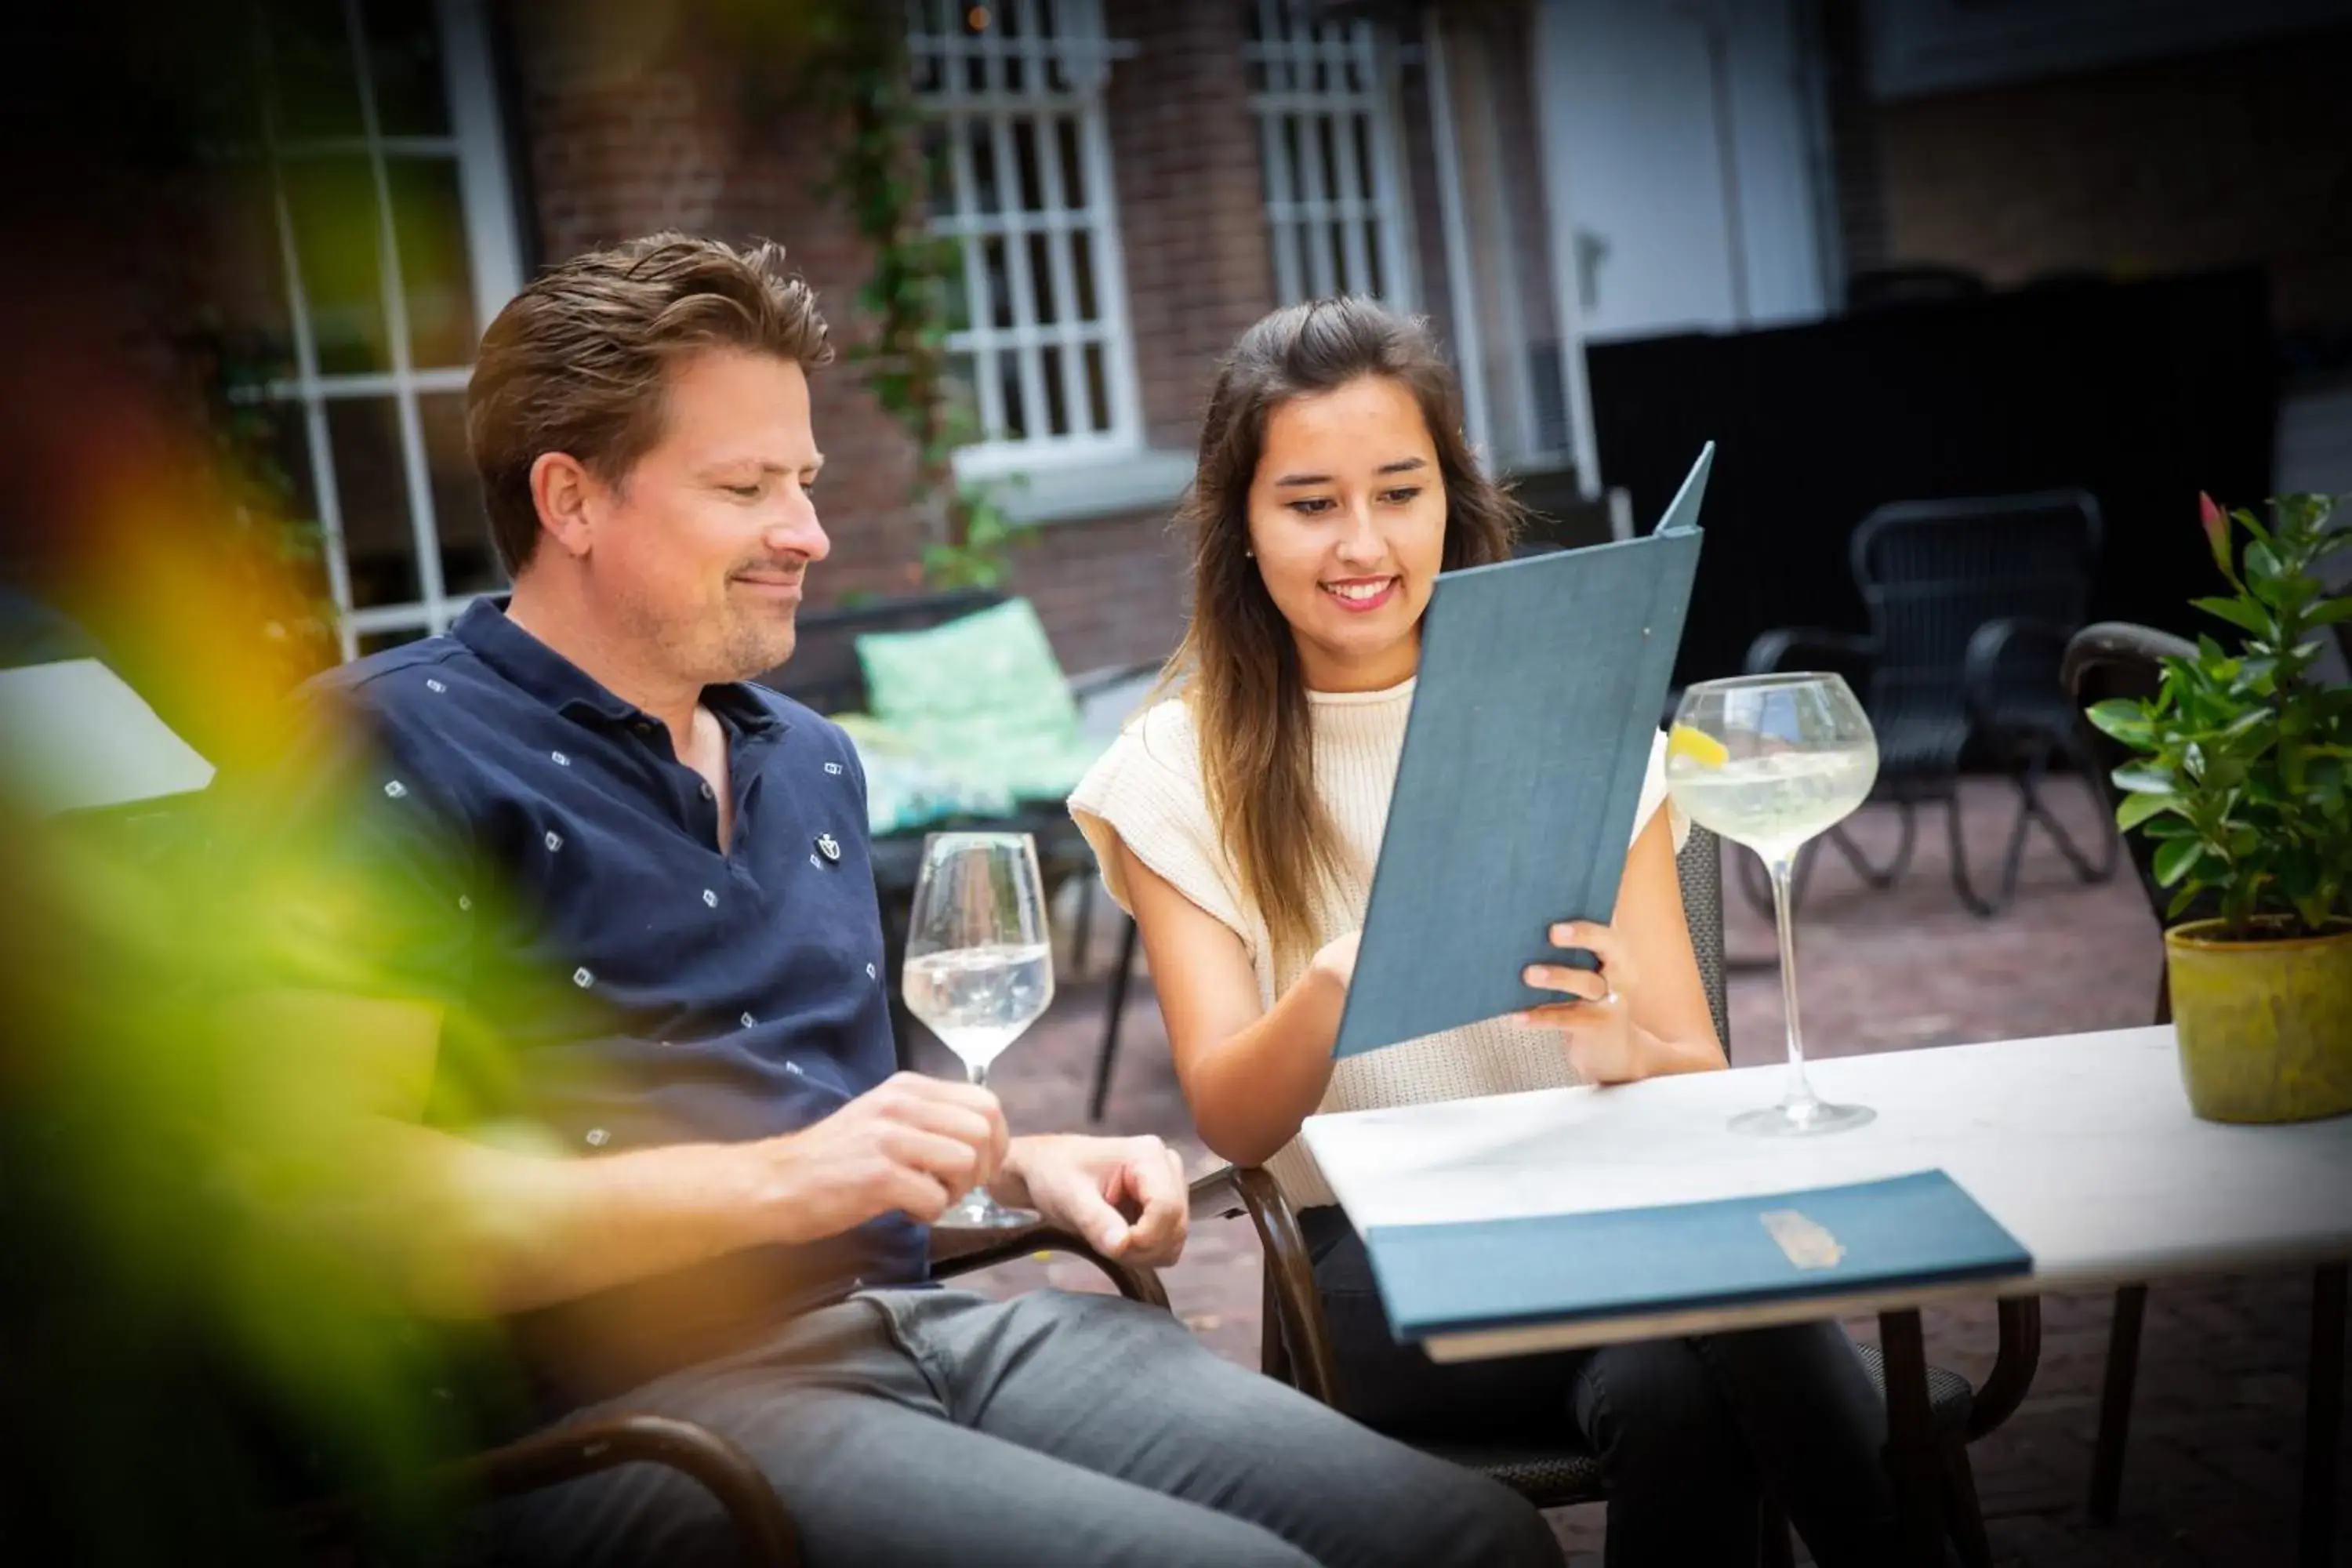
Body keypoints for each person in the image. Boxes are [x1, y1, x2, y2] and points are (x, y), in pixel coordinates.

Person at [228, 239, 1561, 1568]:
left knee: (1469, 1534)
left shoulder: (804, 760)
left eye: (803, 482)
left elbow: (818, 1138)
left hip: (919, 1334)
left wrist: (1012, 1164)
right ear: (570, 499)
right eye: (745, 487)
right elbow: (325, 1210)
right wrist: (782, 1182)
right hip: (621, 1420)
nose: (807, 532)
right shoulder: (382, 753)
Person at [1070, 296, 1945, 1568]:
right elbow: (1232, 1120)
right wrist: (1330, 987)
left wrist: (1621, 1041)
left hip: (1612, 1218)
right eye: (1309, 503)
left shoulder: (1572, 715)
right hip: (1376, 1269)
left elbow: (1698, 1071)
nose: (1361, 542)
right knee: (1747, 1303)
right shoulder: (1177, 769)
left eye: (1400, 492)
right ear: (1242, 527)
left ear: (1453, 501)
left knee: (1673, 1393)